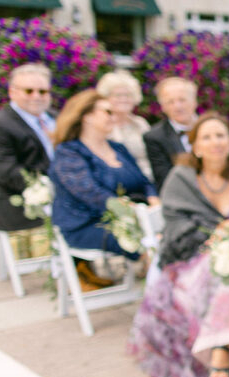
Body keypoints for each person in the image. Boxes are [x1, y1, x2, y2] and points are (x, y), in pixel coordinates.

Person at [128, 113, 229, 377]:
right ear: (196, 147)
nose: (215, 142)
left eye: (221, 135)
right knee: (228, 278)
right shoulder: (182, 178)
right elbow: (175, 228)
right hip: (187, 259)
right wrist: (220, 231)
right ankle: (222, 346)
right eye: (207, 137)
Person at [49, 91, 158, 287]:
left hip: (134, 217)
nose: (114, 117)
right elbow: (90, 193)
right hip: (88, 225)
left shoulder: (118, 148)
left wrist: (153, 200)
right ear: (86, 116)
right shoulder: (69, 152)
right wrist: (130, 212)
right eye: (108, 112)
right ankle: (161, 295)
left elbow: (144, 182)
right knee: (150, 241)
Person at [0, 63, 55, 238]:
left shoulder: (56, 119)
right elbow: (6, 171)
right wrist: (51, 189)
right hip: (17, 200)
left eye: (42, 91)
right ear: (12, 92)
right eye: (29, 91)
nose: (36, 96)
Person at [97, 70, 153, 182]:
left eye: (128, 95)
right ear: (106, 98)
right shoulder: (101, 125)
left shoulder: (141, 124)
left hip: (147, 180)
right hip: (114, 181)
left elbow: (151, 156)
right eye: (118, 95)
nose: (123, 99)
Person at [144, 77, 198, 187]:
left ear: (194, 101)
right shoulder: (155, 137)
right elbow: (165, 179)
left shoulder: (213, 127)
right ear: (163, 107)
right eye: (170, 102)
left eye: (182, 100)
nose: (177, 106)